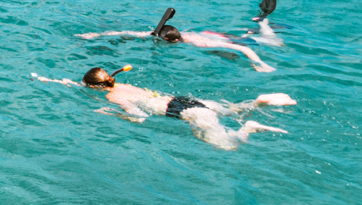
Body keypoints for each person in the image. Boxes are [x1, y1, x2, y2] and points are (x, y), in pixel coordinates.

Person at [34, 65, 293, 151]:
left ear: (94, 87)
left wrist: (112, 113)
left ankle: (249, 127)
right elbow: (88, 84)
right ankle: (256, 103)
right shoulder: (120, 83)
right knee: (233, 109)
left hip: (184, 113)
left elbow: (138, 117)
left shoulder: (113, 98)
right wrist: (57, 80)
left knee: (228, 145)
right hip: (189, 101)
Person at [77, 0, 280, 72]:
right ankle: (256, 26)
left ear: (167, 40)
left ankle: (263, 21)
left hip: (217, 39)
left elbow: (240, 50)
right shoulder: (169, 35)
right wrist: (95, 36)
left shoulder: (199, 44)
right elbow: (129, 32)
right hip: (210, 33)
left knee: (272, 43)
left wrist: (260, 63)